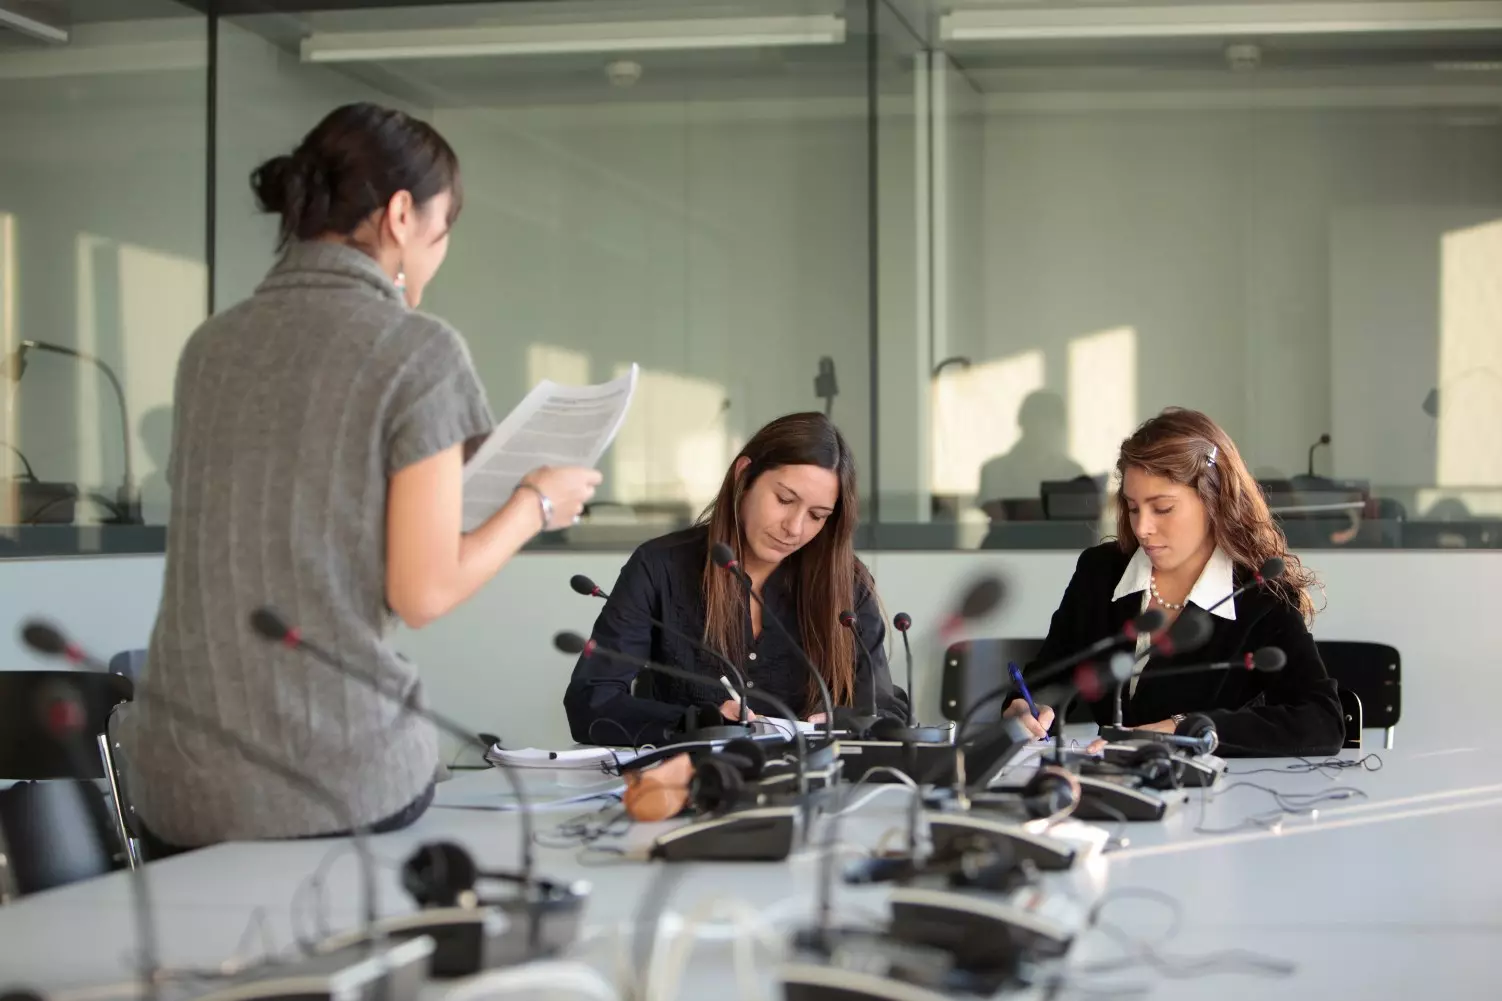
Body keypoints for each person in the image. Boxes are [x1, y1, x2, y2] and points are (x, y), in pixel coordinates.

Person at [113, 103, 601, 855]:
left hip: (177, 781)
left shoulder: (209, 347)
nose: (439, 256)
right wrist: (537, 502)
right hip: (327, 773)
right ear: (402, 215)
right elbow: (422, 591)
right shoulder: (418, 350)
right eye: (443, 232)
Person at [1006, 407, 1345, 757]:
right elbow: (1050, 676)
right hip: (1105, 785)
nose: (1142, 528)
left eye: (1162, 508)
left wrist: (1187, 729)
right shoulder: (1100, 571)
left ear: (1215, 500)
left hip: (1216, 798)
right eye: (1133, 508)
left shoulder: (1259, 594)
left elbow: (1322, 720)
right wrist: (1023, 706)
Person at [564, 412, 907, 746]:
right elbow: (591, 701)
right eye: (785, 500)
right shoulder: (660, 566)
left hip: (810, 786)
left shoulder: (844, 581)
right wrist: (696, 722)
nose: (795, 528)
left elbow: (885, 708)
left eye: (817, 516)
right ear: (744, 476)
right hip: (688, 785)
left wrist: (849, 723)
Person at [977, 390, 1087, 520]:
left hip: (1059, 539)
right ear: (1023, 422)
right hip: (1008, 539)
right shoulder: (994, 470)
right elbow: (994, 515)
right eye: (1038, 420)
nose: (1043, 429)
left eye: (1052, 422)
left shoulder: (1073, 472)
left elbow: (1083, 523)